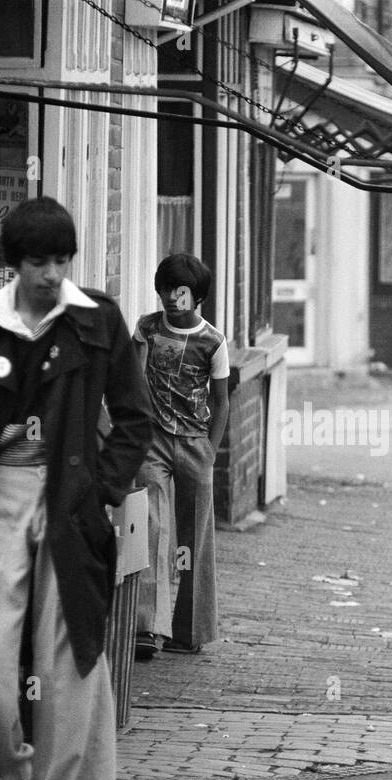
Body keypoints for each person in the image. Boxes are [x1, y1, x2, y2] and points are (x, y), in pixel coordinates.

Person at [0, 196, 154, 780]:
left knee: (73, 671)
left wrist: (102, 489)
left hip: (70, 502)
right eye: (39, 261)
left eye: (62, 259)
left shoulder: (98, 321)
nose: (53, 273)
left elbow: (134, 417)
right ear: (12, 262)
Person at [132, 253, 229, 658]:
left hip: (194, 441)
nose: (172, 298)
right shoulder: (147, 328)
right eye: (166, 289)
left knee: (195, 536)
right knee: (151, 528)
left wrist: (209, 450)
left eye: (181, 291)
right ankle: (146, 629)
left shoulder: (214, 340)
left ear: (197, 296)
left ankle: (189, 632)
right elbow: (131, 377)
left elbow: (222, 401)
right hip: (152, 441)